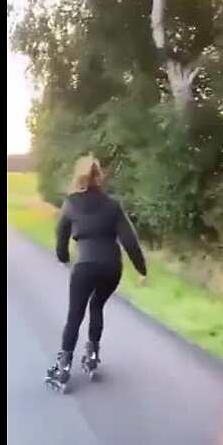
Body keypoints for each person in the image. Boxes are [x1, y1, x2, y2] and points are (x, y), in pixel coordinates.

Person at [45, 155, 148, 388]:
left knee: (75, 314)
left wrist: (63, 258)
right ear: (98, 175)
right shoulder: (112, 204)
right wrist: (141, 269)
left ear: (77, 175)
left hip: (85, 266)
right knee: (97, 305)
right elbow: (129, 240)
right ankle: (92, 356)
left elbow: (60, 237)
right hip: (112, 268)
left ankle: (64, 366)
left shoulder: (71, 203)